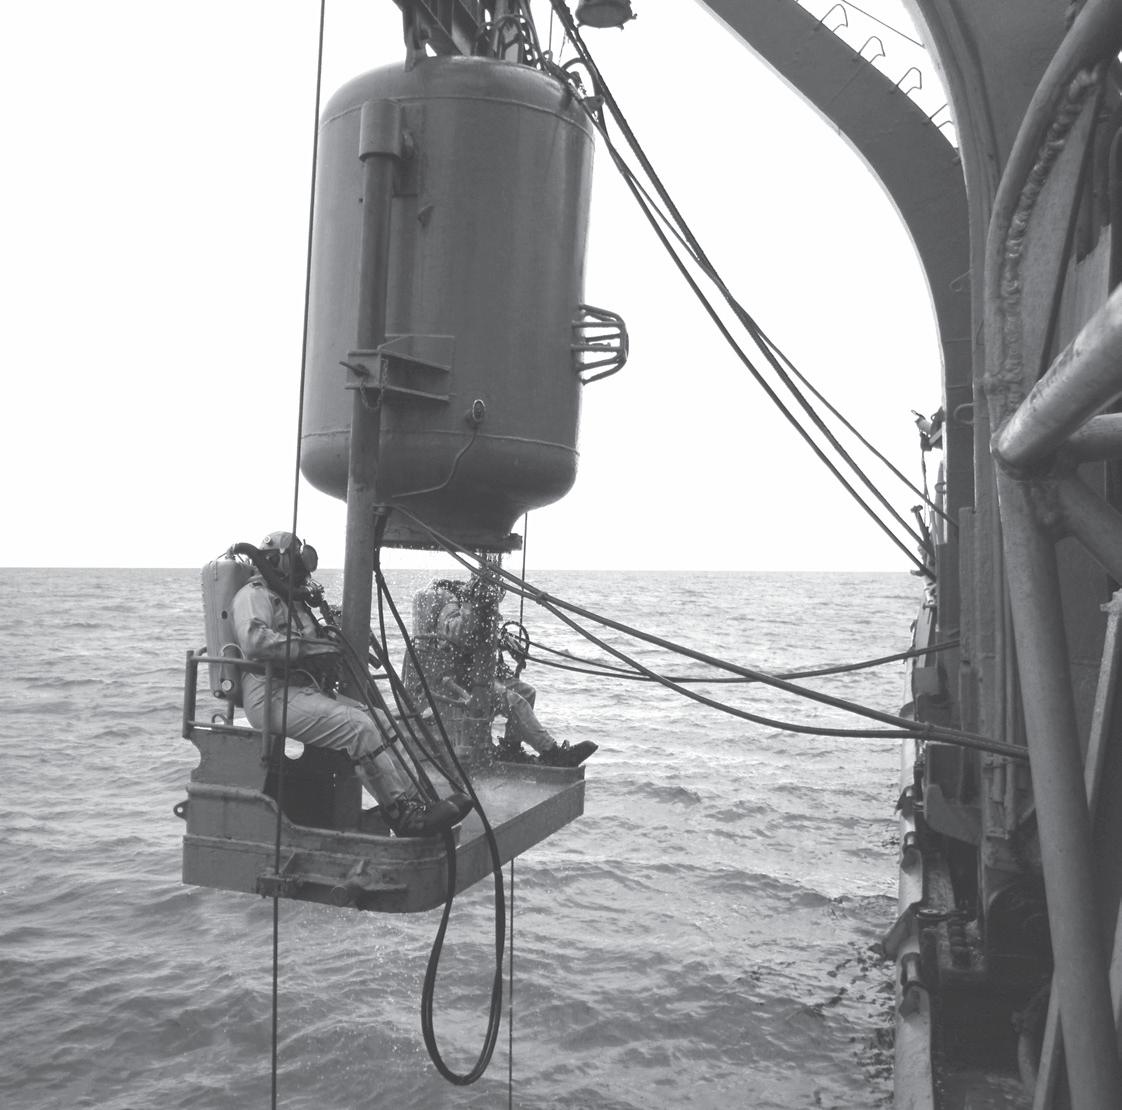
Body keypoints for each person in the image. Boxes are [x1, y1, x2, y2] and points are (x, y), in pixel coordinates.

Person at [232, 531, 472, 837]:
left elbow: (311, 637)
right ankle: (400, 814)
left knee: (382, 722)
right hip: (270, 693)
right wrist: (309, 650)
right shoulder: (254, 595)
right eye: (296, 559)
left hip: (302, 689)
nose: (303, 568)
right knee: (358, 727)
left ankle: (420, 802)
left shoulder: (293, 601)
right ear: (278, 560)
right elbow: (255, 641)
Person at [406, 571, 597, 767]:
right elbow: (459, 633)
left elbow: (482, 632)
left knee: (527, 692)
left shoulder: (472, 606)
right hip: (461, 680)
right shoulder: (452, 604)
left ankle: (511, 749)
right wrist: (471, 606)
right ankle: (552, 752)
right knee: (515, 702)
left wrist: (504, 639)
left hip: (478, 675)